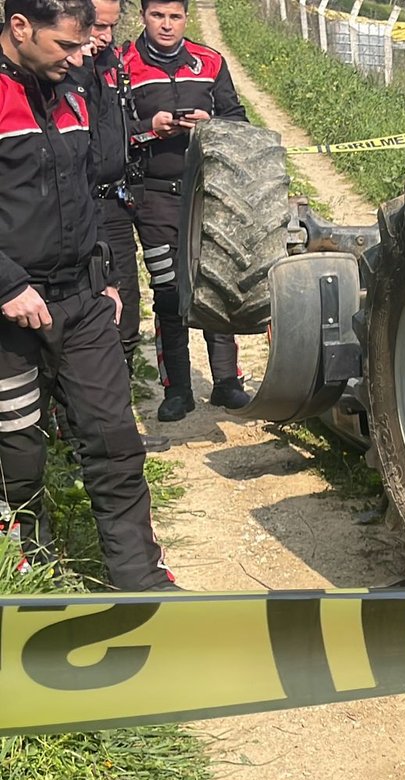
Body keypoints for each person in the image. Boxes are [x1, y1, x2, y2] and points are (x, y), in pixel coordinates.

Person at [0, 0, 176, 591]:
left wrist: (101, 272)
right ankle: (34, 572)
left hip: (81, 300)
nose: (83, 56)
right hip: (10, 312)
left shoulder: (73, 86)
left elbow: (85, 189)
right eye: (67, 45)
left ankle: (140, 578)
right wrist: (7, 284)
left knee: (114, 441)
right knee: (17, 457)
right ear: (20, 27)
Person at [122, 0, 249, 422]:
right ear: (143, 16)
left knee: (216, 283)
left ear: (186, 18)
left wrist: (209, 122)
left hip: (207, 190)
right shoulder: (123, 64)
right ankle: (176, 390)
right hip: (153, 193)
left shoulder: (210, 61)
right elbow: (110, 132)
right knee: (169, 289)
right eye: (158, 16)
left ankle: (228, 381)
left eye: (174, 16)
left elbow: (239, 121)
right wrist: (149, 129)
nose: (166, 25)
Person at [75, 0, 168, 452]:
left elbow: (120, 126)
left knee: (125, 317)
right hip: (73, 209)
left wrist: (147, 127)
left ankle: (119, 427)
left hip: (114, 205)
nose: (105, 36)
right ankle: (80, 432)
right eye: (97, 26)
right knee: (85, 322)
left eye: (112, 26)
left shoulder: (111, 62)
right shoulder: (59, 71)